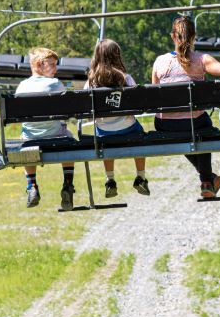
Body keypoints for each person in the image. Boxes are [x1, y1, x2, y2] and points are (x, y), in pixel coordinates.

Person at [150, 15, 220, 198]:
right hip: (194, 124)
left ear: (172, 36)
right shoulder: (202, 60)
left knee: (186, 130)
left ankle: (208, 179)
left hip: (165, 125)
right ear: (193, 37)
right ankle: (206, 180)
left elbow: (154, 96)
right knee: (202, 129)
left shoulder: (159, 62)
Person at [85, 38, 150, 198]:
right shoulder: (125, 79)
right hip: (129, 130)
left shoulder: (91, 83)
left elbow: (87, 112)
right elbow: (138, 106)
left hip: (104, 132)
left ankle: (110, 180)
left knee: (105, 140)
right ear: (117, 56)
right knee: (140, 134)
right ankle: (141, 177)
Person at [16, 47, 76, 210]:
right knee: (69, 138)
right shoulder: (55, 84)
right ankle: (68, 183)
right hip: (56, 136)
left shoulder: (21, 86)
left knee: (25, 142)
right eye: (52, 65)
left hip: (31, 139)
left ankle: (32, 185)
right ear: (39, 64)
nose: (56, 69)